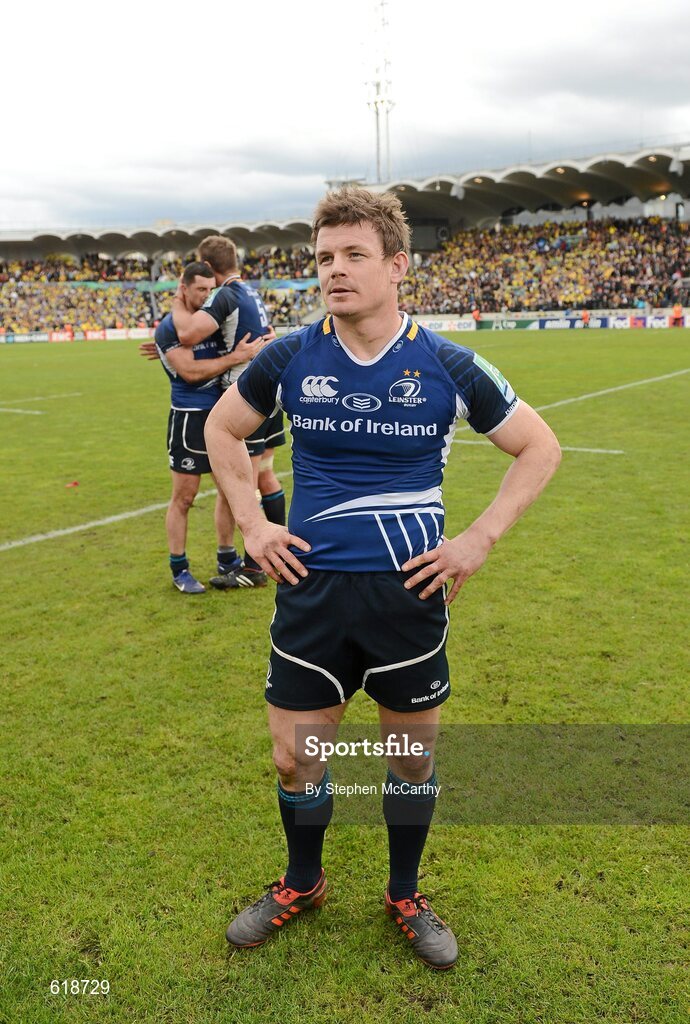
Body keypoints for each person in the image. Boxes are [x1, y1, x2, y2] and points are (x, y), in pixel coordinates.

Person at [205, 188, 561, 969]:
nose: (334, 270)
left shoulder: (446, 363)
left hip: (409, 596)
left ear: (398, 266)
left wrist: (478, 538)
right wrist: (255, 524)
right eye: (324, 257)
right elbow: (222, 429)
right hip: (312, 595)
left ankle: (405, 892)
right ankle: (304, 882)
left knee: (409, 756)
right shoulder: (289, 357)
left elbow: (540, 447)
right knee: (294, 757)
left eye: (354, 255)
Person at [169, 236, 286, 590]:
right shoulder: (251, 291)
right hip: (269, 390)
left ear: (207, 266)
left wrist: (176, 302)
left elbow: (187, 334)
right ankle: (277, 554)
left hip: (246, 397)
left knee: (243, 485)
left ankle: (253, 567)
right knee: (265, 476)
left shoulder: (227, 294)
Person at [155, 261, 266, 593]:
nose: (206, 296)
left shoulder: (211, 322)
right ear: (184, 288)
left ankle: (227, 557)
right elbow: (190, 373)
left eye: (210, 289)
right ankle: (179, 568)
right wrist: (235, 358)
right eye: (200, 290)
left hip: (223, 418)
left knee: (230, 491)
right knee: (184, 497)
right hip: (189, 417)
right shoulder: (169, 328)